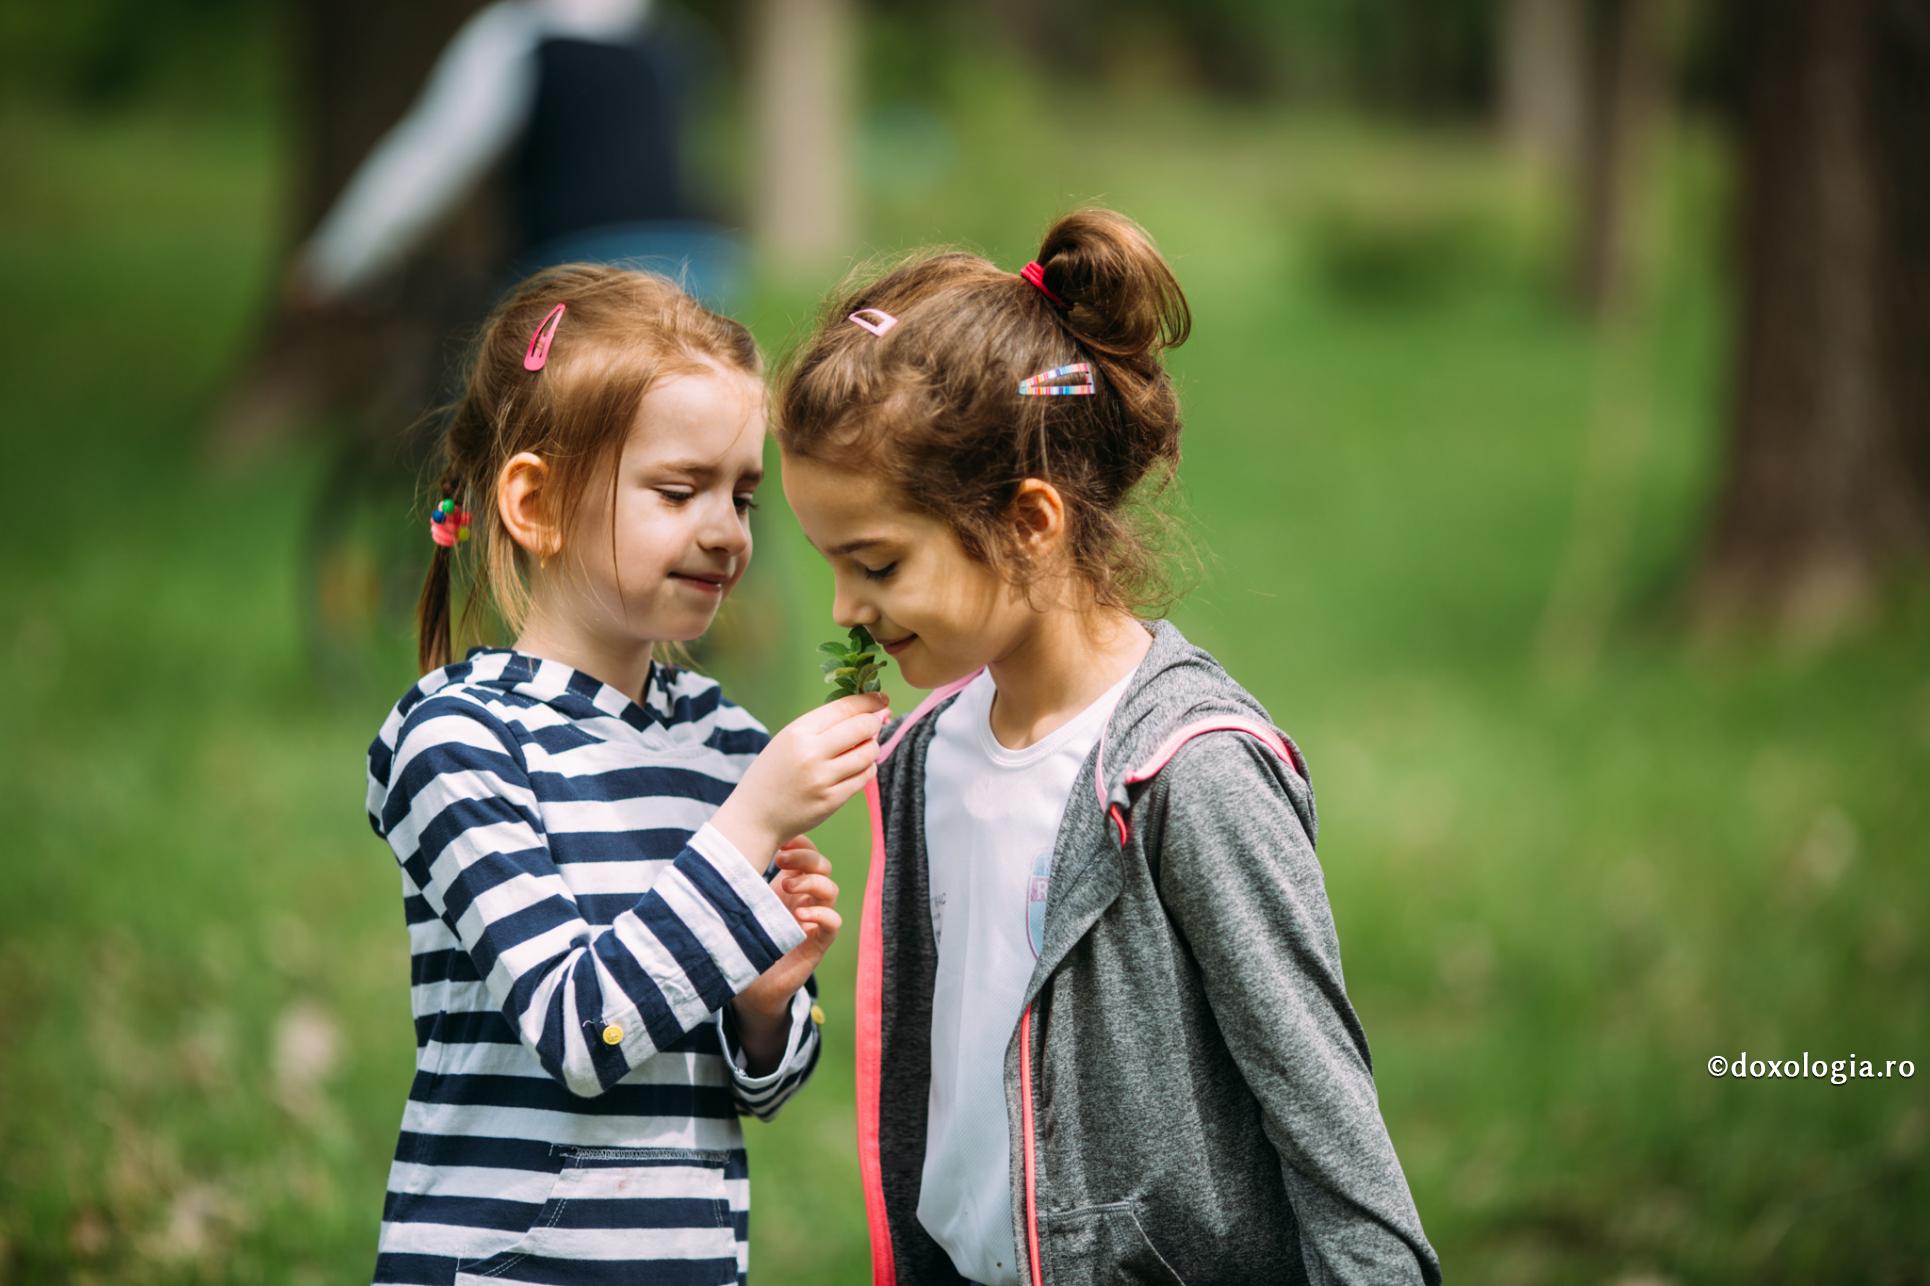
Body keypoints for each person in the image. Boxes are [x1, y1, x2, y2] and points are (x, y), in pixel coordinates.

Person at [776, 210, 1441, 1285]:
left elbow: (1334, 1137)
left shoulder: (1190, 773)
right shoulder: (920, 760)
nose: (848, 608)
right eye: (832, 566)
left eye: (879, 564)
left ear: (1031, 522)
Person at [364, 264, 886, 1285]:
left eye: (741, 494)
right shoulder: (458, 739)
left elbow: (763, 1090)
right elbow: (579, 1028)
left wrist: (767, 1006)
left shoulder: (725, 744)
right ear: (535, 500)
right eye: (679, 489)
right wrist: (749, 825)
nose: (727, 530)